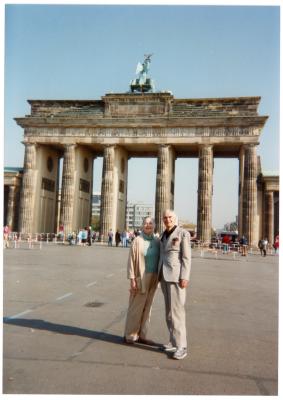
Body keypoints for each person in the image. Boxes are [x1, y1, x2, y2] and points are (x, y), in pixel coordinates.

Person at [158, 209, 191, 360]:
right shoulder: (163, 235)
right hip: (164, 277)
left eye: (170, 217)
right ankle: (173, 340)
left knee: (177, 313)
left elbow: (186, 258)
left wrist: (185, 276)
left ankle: (182, 346)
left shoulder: (183, 233)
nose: (167, 219)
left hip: (176, 278)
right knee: (169, 313)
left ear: (175, 218)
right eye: (165, 217)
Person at [124, 217, 160, 344]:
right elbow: (131, 261)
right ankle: (130, 335)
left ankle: (142, 335)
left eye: (150, 223)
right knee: (136, 307)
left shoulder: (157, 241)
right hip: (141, 277)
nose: (148, 225)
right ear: (142, 226)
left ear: (154, 225)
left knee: (147, 308)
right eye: (146, 223)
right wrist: (132, 279)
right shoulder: (137, 240)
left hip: (154, 277)